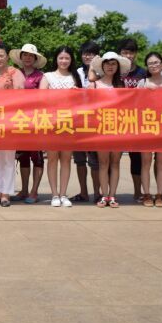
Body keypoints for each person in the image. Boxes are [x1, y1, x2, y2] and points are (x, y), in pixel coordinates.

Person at [0, 42, 25, 207]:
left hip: (9, 119)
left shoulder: (15, 73)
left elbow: (21, 96)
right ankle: (0, 191)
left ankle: (6, 193)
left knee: (8, 157)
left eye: (1, 55)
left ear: (7, 57)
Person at [40, 46, 81, 207]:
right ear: (56, 59)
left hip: (69, 123)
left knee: (66, 159)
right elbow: (40, 99)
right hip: (51, 122)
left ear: (71, 60)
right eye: (61, 58)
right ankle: (54, 194)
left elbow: (82, 102)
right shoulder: (47, 76)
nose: (64, 61)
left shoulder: (75, 77)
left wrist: (77, 93)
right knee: (52, 159)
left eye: (67, 58)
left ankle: (63, 194)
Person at [90, 51, 130, 208]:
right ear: (102, 66)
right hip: (101, 128)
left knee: (115, 163)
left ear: (118, 66)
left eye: (113, 64)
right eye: (107, 63)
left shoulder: (123, 85)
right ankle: (104, 195)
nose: (110, 66)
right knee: (103, 163)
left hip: (118, 128)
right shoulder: (95, 85)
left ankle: (112, 195)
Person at [136, 52, 162, 207]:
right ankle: (146, 194)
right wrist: (145, 92)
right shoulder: (142, 82)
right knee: (145, 162)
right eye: (150, 63)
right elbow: (134, 103)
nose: (153, 65)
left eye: (156, 62)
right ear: (146, 66)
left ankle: (159, 194)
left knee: (161, 162)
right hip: (146, 125)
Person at [10, 43, 46, 203]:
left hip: (36, 120)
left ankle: (34, 191)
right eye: (25, 55)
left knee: (36, 156)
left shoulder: (40, 76)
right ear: (21, 57)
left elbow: (43, 97)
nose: (28, 58)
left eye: (31, 55)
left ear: (35, 58)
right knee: (23, 156)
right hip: (19, 120)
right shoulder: (13, 73)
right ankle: (24, 190)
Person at [70, 41, 100, 203]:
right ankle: (83, 192)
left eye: (91, 54)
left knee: (95, 161)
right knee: (79, 160)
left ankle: (97, 193)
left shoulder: (102, 72)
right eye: (85, 53)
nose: (88, 56)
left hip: (96, 121)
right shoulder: (76, 72)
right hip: (78, 121)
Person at [119, 38, 147, 203]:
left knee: (136, 158)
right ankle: (109, 192)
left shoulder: (143, 73)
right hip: (116, 121)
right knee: (112, 158)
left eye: (131, 52)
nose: (128, 55)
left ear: (135, 54)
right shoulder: (114, 71)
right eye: (125, 52)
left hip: (137, 121)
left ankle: (138, 192)